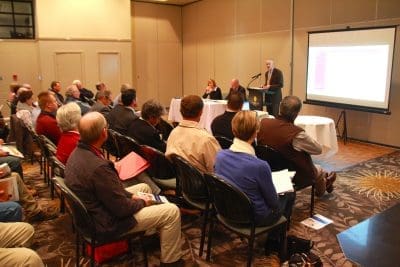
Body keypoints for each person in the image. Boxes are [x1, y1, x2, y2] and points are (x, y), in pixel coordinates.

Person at [65, 112, 183, 266]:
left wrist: (132, 196)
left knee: (144, 187)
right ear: (103, 133)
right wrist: (142, 203)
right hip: (106, 221)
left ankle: (148, 234)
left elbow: (112, 192)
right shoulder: (98, 168)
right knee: (171, 211)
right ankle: (171, 262)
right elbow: (121, 209)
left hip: (97, 210)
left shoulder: (77, 153)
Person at [215, 110, 295, 227]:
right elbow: (273, 203)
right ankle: (275, 240)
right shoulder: (260, 166)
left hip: (226, 210)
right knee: (289, 193)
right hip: (254, 217)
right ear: (256, 132)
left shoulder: (220, 156)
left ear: (233, 130)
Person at [257, 96, 336, 197]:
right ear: (296, 114)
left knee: (318, 170)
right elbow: (318, 149)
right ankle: (324, 187)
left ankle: (326, 180)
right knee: (319, 170)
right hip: (292, 175)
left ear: (280, 108)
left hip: (268, 169)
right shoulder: (297, 134)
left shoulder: (263, 122)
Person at [166, 95, 221, 173]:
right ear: (201, 112)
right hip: (204, 183)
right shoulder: (206, 139)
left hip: (181, 179)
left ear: (180, 111)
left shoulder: (173, 133)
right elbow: (217, 170)